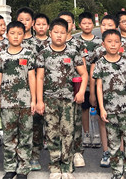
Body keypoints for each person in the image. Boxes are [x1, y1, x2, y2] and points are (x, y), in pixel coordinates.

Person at [36, 17, 88, 179]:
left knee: (68, 132)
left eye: (62, 33)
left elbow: (84, 74)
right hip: (49, 99)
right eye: (56, 32)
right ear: (50, 33)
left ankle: (67, 166)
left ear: (67, 34)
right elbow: (39, 78)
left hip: (68, 100)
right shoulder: (43, 53)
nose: (59, 35)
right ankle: (54, 166)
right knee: (52, 133)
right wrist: (39, 101)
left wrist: (81, 92)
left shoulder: (72, 53)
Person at [90, 14, 126, 168]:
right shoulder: (99, 51)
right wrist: (93, 94)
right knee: (107, 126)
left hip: (125, 99)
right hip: (107, 100)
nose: (106, 27)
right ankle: (108, 153)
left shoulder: (125, 48)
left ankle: (124, 157)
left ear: (116, 27)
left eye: (110, 25)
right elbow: (95, 76)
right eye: (103, 25)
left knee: (125, 130)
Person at [0, 21, 37, 179]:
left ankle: (23, 168)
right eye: (12, 33)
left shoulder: (28, 54)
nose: (16, 37)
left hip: (25, 102)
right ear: (7, 35)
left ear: (23, 35)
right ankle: (10, 167)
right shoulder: (1, 55)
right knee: (8, 137)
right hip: (6, 102)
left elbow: (31, 77)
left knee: (25, 136)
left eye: (19, 34)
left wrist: (33, 99)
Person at [75, 11, 101, 149]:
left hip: (97, 80)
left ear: (93, 24)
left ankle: (97, 134)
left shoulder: (99, 41)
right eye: (84, 23)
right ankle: (86, 133)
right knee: (84, 108)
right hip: (83, 80)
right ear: (79, 25)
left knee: (96, 106)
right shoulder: (76, 42)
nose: (86, 25)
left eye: (89, 23)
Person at [30, 12, 50, 171]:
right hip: (33, 87)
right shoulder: (28, 43)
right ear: (33, 26)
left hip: (51, 88)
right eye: (38, 24)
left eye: (44, 24)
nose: (41, 27)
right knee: (35, 123)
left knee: (53, 124)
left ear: (48, 26)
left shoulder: (54, 41)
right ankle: (35, 155)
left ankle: (56, 159)